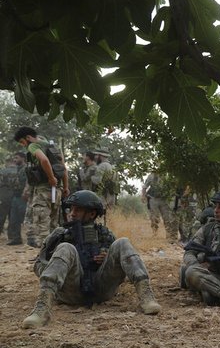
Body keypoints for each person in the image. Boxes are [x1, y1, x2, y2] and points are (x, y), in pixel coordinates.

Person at [21, 190, 161, 328]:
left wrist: (107, 260)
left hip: (101, 290)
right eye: (71, 209)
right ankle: (42, 308)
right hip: (71, 292)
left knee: (123, 242)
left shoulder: (105, 235)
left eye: (78, 210)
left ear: (92, 214)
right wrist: (59, 266)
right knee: (65, 248)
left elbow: (123, 270)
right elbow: (38, 264)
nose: (72, 213)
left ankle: (146, 296)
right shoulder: (59, 234)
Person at [13, 127, 69, 247]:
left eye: (22, 142)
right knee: (54, 225)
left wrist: (50, 177)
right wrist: (65, 187)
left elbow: (43, 160)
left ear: (28, 138)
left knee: (42, 226)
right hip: (57, 190)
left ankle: (45, 257)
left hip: (44, 189)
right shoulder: (54, 147)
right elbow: (64, 168)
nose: (23, 145)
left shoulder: (33, 145)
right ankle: (54, 253)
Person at [141, 171, 179, 241]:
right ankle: (155, 234)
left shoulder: (167, 175)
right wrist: (143, 196)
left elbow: (171, 187)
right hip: (153, 198)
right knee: (154, 217)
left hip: (164, 199)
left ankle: (169, 236)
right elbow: (144, 187)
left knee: (167, 218)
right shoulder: (151, 176)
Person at [6, 152, 27, 245]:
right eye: (14, 158)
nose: (15, 160)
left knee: (26, 218)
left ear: (22, 158)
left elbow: (29, 181)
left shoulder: (26, 169)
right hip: (15, 196)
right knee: (14, 219)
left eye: (16, 158)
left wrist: (26, 192)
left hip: (24, 197)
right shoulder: (15, 169)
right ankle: (16, 238)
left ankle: (33, 238)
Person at [0, 157, 17, 235]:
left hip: (4, 194)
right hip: (16, 195)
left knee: (2, 214)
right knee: (12, 216)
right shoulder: (18, 170)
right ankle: (11, 234)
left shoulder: (3, 171)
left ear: (7, 162)